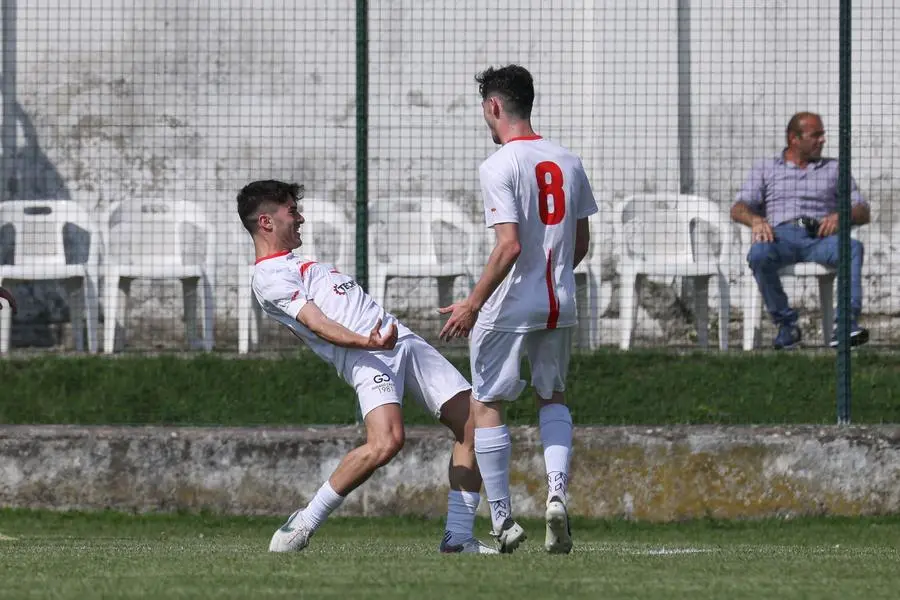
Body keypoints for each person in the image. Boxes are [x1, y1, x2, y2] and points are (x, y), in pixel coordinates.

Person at [236, 180, 495, 554]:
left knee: (474, 424)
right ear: (266, 222)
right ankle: (304, 523)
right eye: (292, 212)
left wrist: (382, 336)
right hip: (365, 354)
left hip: (398, 339)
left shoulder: (301, 262)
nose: (301, 218)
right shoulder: (269, 277)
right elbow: (317, 323)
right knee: (386, 443)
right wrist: (366, 342)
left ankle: (458, 537)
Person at [439, 65, 597, 555]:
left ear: (494, 107)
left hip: (510, 303)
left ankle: (504, 522)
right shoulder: (568, 160)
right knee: (553, 397)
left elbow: (507, 246)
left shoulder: (499, 165)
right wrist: (551, 275)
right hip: (559, 301)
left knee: (488, 404)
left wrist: (472, 302)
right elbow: (581, 242)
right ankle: (555, 495)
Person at [731, 111, 871, 349]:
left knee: (853, 248)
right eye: (815, 135)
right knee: (758, 255)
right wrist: (755, 220)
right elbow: (738, 208)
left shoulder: (834, 169)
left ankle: (846, 324)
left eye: (823, 135)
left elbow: (863, 210)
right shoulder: (766, 168)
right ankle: (787, 325)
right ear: (794, 139)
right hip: (780, 236)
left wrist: (842, 215)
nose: (822, 140)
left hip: (820, 237)